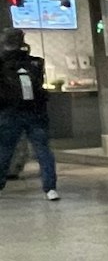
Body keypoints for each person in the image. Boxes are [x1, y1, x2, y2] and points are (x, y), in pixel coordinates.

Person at [0, 28, 57, 201]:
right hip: (36, 113)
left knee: (4, 150)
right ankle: (50, 188)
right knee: (43, 150)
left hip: (10, 112)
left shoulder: (2, 63)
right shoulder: (36, 63)